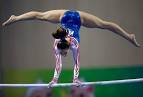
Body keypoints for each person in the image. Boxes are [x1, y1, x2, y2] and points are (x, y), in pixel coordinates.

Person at [2, 9, 140, 87]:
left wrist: (75, 79)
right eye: (62, 52)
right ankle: (15, 18)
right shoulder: (57, 44)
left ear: (68, 47)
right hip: (66, 16)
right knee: (40, 16)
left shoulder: (74, 44)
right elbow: (58, 65)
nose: (62, 54)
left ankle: (129, 36)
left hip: (79, 18)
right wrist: (54, 80)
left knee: (104, 25)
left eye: (63, 53)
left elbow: (76, 63)